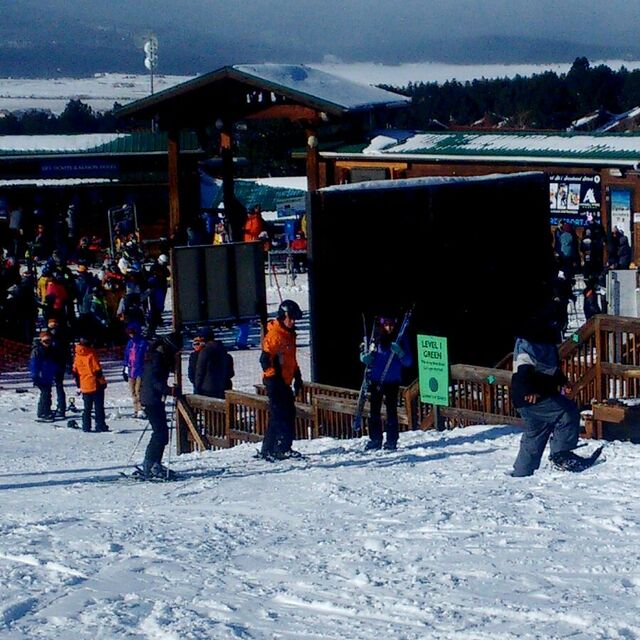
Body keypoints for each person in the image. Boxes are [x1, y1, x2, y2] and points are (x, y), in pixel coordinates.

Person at [510, 303, 593, 477]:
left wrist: (562, 381)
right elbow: (522, 371)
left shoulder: (543, 343)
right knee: (567, 412)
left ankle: (521, 473)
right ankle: (561, 457)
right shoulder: (530, 343)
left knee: (537, 431)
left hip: (530, 397)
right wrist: (528, 390)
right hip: (531, 397)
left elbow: (549, 369)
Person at [259, 299, 304, 460]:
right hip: (275, 382)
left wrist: (297, 376)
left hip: (285, 381)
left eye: (294, 319)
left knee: (286, 414)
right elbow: (264, 360)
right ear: (282, 316)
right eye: (290, 318)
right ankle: (275, 448)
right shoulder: (275, 335)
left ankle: (277, 448)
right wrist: (274, 379)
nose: (292, 322)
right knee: (279, 415)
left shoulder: (289, 334)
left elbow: (290, 359)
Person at [360, 315, 413, 451]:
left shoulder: (400, 339)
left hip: (392, 380)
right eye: (386, 325)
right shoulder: (374, 337)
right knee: (374, 411)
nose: (389, 328)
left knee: (391, 411)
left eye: (391, 325)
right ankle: (375, 439)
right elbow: (364, 351)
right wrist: (364, 358)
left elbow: (408, 362)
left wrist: (400, 353)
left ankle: (392, 440)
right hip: (376, 379)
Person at [137, 331, 183, 479]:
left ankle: (153, 463)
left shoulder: (156, 355)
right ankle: (150, 464)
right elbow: (155, 381)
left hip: (151, 397)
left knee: (161, 432)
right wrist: (170, 390)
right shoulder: (157, 357)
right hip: (152, 398)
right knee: (160, 433)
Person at [72, 336, 109, 432]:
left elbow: (75, 372)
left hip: (84, 385)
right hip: (95, 384)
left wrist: (79, 385)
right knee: (99, 407)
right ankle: (100, 425)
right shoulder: (91, 353)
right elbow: (97, 370)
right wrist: (103, 382)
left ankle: (86, 426)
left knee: (87, 408)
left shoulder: (77, 355)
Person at [194, 327, 234, 398]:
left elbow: (200, 372)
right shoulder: (222, 350)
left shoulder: (205, 352)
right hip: (224, 387)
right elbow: (231, 373)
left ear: (203, 338)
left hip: (208, 390)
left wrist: (197, 388)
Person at [29, 330, 59, 421]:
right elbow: (34, 364)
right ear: (41, 341)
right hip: (40, 376)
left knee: (46, 394)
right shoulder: (37, 350)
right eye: (46, 341)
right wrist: (35, 376)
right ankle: (44, 412)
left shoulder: (51, 350)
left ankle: (44, 411)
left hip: (48, 376)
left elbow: (53, 363)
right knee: (45, 394)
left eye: (49, 341)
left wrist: (56, 371)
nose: (48, 343)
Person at [123, 322, 149, 418]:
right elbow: (127, 355)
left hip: (140, 370)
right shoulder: (130, 343)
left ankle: (141, 409)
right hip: (131, 370)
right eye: (129, 332)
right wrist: (125, 367)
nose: (131, 334)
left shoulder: (143, 343)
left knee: (139, 390)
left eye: (132, 332)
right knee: (132, 391)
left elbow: (146, 356)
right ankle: (136, 409)